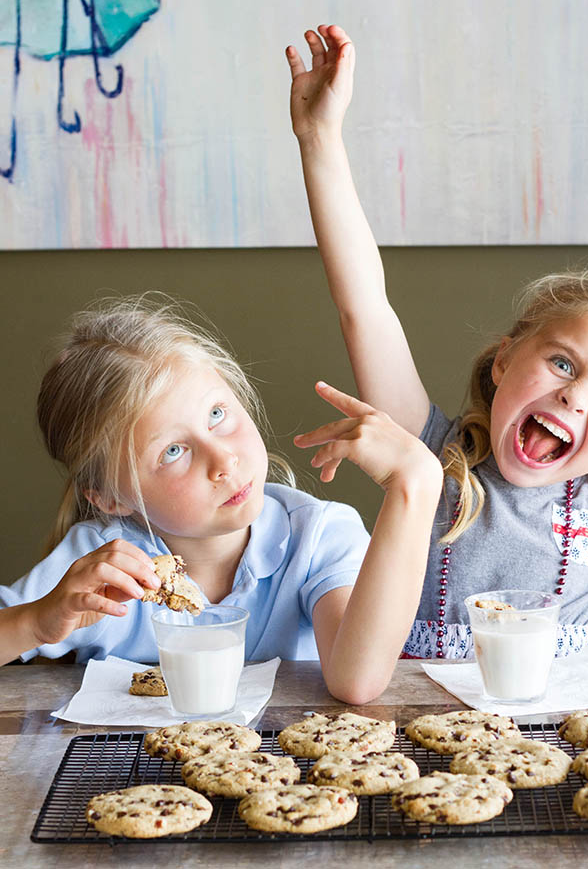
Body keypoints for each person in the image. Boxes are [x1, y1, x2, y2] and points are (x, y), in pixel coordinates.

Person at [286, 24, 588, 659]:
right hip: (417, 741)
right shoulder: (430, 460)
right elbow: (365, 308)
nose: (576, 399)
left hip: (564, 750)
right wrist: (320, 139)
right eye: (563, 363)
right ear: (505, 360)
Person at [0, 295, 443, 703]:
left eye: (217, 415)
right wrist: (37, 621)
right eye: (172, 451)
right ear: (111, 498)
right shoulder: (101, 565)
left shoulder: (319, 538)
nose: (223, 459)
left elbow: (357, 680)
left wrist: (414, 485)